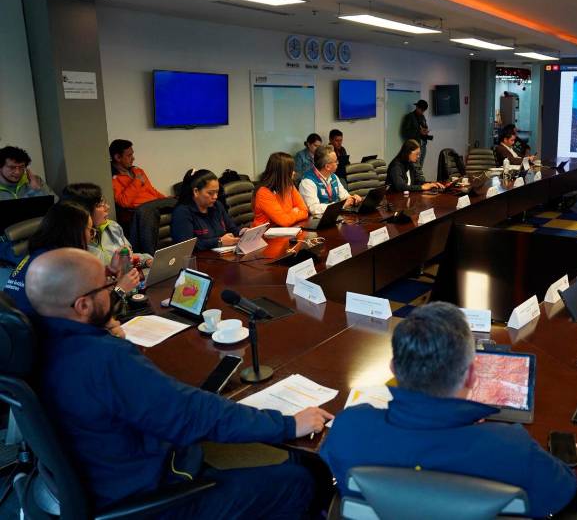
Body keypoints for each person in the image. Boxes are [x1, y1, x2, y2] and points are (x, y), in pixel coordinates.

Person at [26, 247, 333, 516]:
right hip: (152, 498)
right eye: (107, 285)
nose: (111, 289)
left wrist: (102, 332)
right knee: (299, 481)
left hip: (99, 479)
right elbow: (191, 413)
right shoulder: (103, 360)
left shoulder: (33, 345)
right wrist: (288, 425)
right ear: (82, 306)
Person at [321, 302, 577, 519]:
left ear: (392, 369)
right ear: (472, 376)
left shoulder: (349, 427)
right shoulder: (511, 447)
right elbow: (562, 491)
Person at [3, 202, 139, 318]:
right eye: (90, 230)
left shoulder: (42, 254)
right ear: (75, 232)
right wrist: (121, 289)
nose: (91, 237)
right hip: (42, 337)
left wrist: (110, 270)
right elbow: (90, 312)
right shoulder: (61, 264)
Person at [61, 182, 153, 269]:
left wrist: (146, 260)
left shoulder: (113, 227)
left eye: (104, 202)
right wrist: (115, 275)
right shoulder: (73, 244)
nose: (107, 207)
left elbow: (130, 259)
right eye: (99, 205)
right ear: (82, 210)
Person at [171, 169, 244, 251]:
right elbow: (186, 246)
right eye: (210, 193)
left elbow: (232, 228)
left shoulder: (217, 206)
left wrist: (243, 232)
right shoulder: (182, 212)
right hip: (199, 260)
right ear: (196, 192)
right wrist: (219, 241)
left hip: (221, 256)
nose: (215, 197)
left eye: (217, 192)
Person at [299, 145, 362, 215]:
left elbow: (344, 196)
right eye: (335, 161)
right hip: (318, 222)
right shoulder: (307, 182)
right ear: (327, 166)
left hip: (335, 216)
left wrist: (352, 198)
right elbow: (314, 209)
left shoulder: (333, 176)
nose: (338, 163)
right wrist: (341, 205)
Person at [253, 152, 309, 227]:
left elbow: (305, 211)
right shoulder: (264, 192)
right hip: (265, 235)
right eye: (291, 170)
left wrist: (288, 215)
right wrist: (294, 212)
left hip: (285, 229)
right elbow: (284, 221)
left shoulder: (289, 185)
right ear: (283, 172)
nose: (294, 173)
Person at [109, 139, 167, 209]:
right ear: (118, 157)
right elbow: (123, 202)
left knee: (178, 204)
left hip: (156, 205)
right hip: (142, 210)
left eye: (132, 154)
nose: (133, 158)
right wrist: (137, 182)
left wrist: (165, 199)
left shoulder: (138, 170)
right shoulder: (111, 178)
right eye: (129, 155)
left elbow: (151, 190)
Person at [400, 100, 433, 168]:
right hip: (414, 146)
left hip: (423, 145)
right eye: (421, 110)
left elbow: (424, 126)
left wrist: (425, 130)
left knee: (420, 166)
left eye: (424, 110)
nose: (422, 112)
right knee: (414, 167)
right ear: (417, 107)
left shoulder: (422, 117)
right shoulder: (410, 117)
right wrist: (419, 132)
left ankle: (419, 178)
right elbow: (405, 132)